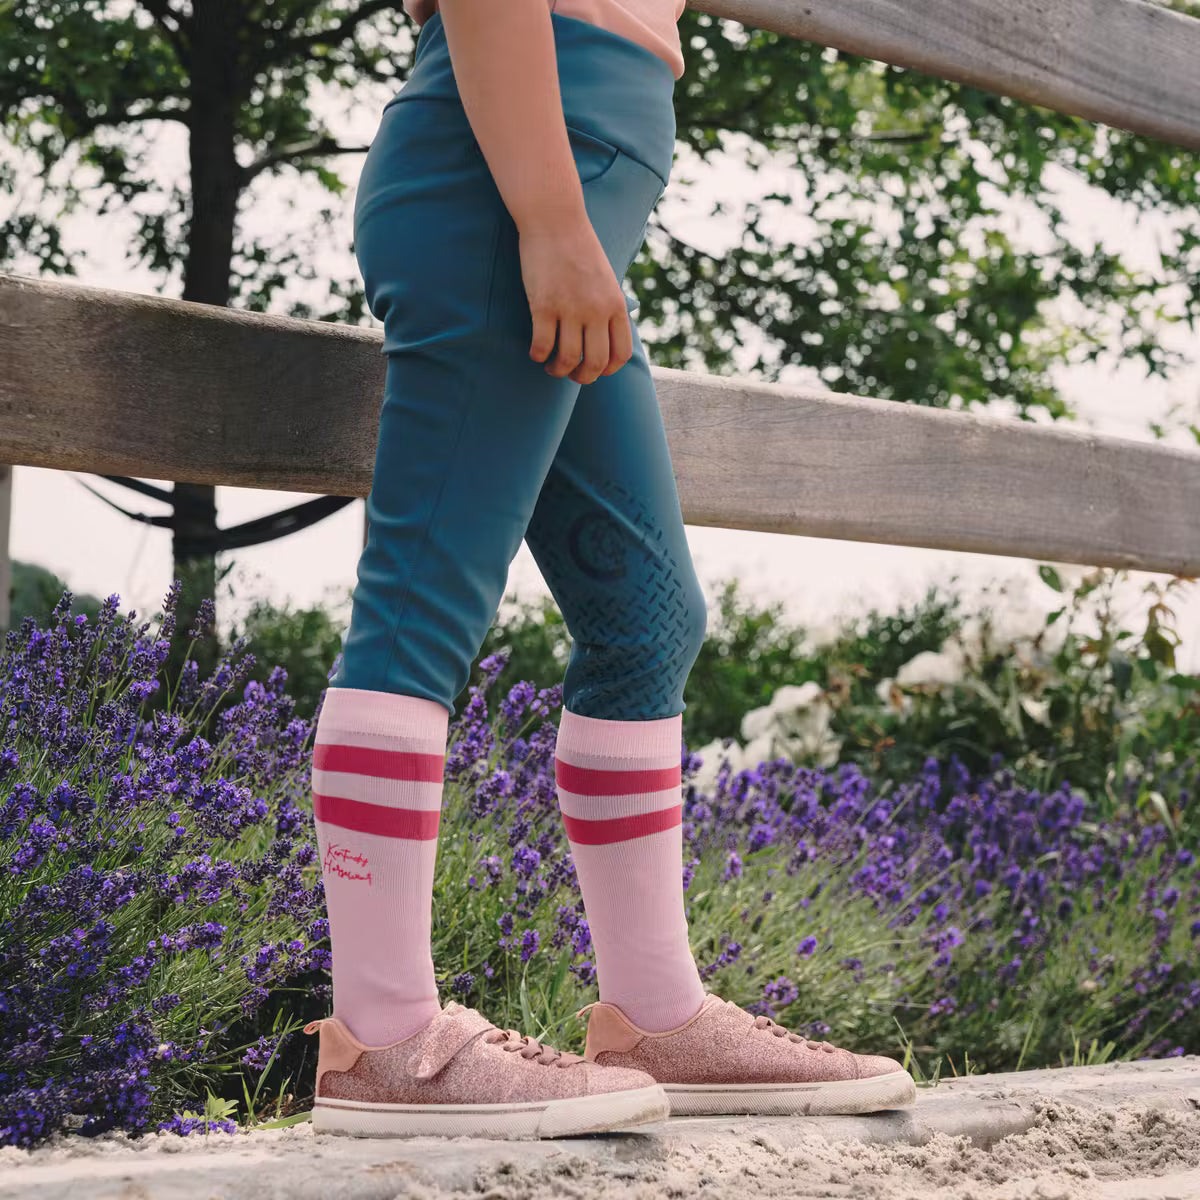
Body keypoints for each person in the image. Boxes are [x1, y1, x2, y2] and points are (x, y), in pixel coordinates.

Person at [303, 0, 918, 1139]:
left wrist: (563, 218)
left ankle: (658, 1016)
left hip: (561, 188)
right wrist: (547, 215)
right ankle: (383, 1039)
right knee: (422, 605)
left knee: (648, 622)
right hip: (508, 184)